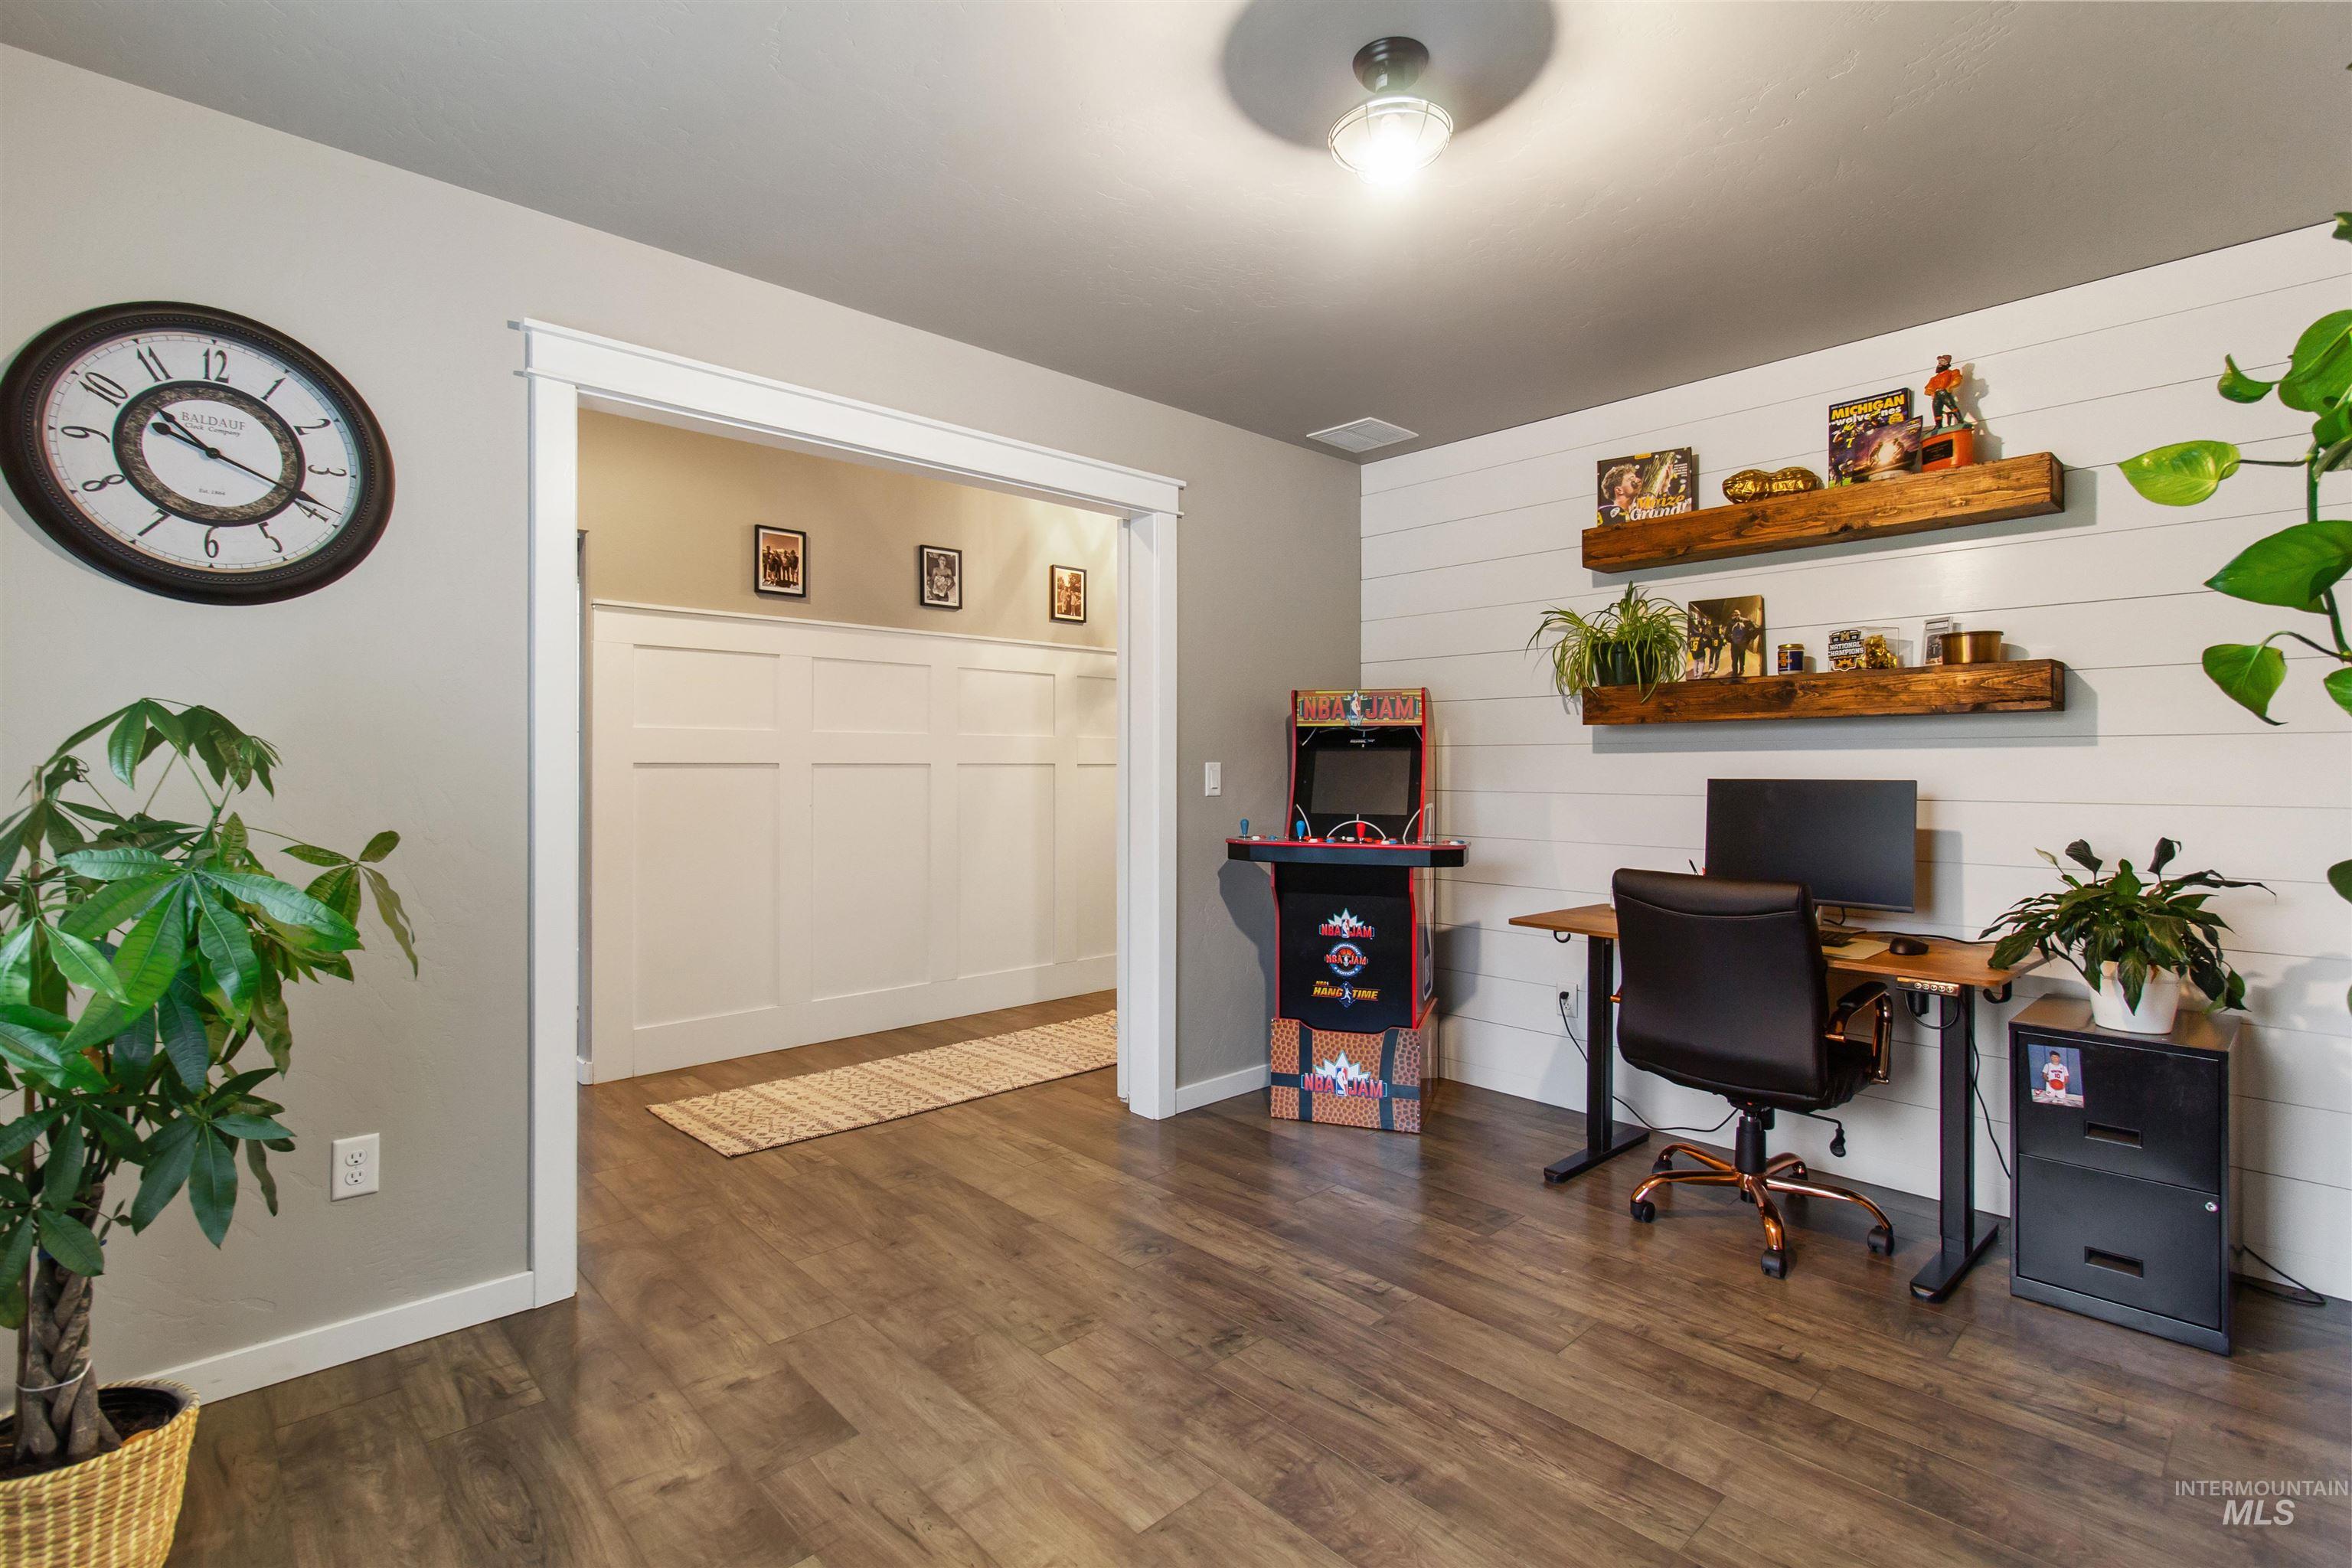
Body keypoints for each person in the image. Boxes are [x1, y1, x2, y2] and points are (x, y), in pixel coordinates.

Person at [1926, 354, 1969, 430]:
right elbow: (1928, 389)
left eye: (1942, 361)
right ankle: (1938, 425)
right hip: (1937, 394)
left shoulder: (1952, 372)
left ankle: (1960, 420)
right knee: (1936, 409)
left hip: (1944, 392)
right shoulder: (1934, 378)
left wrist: (1949, 388)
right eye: (1939, 362)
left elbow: (1957, 380)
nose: (1939, 363)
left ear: (1947, 363)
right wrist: (1932, 393)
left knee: (1951, 405)